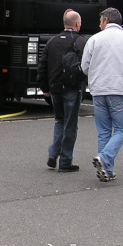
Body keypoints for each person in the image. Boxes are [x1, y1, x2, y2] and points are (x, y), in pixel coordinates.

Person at [80, 7, 123, 183]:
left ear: (106, 20)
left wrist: (93, 77)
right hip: (121, 90)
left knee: (104, 131)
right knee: (122, 130)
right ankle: (105, 159)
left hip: (99, 90)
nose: (99, 25)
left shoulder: (94, 40)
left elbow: (85, 66)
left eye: (100, 21)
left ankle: (107, 170)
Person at [36, 10, 86, 172]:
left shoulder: (52, 41)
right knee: (71, 124)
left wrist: (44, 87)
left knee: (60, 121)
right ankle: (65, 161)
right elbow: (86, 66)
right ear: (77, 24)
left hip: (55, 88)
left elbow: (42, 65)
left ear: (64, 24)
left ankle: (53, 154)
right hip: (72, 88)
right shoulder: (80, 42)